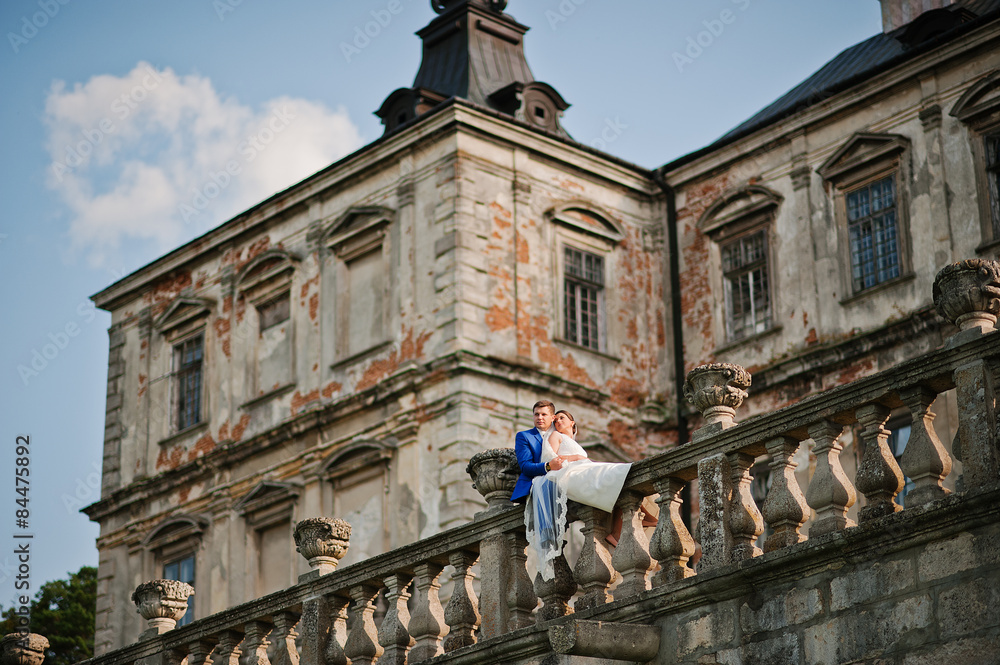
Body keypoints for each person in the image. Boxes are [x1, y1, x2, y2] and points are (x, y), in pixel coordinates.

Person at [519, 408, 633, 580]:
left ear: (572, 423)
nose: (558, 422)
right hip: (568, 472)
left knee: (620, 476)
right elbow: (552, 458)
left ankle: (617, 530)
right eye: (556, 420)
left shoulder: (573, 441)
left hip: (582, 467)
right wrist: (575, 458)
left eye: (562, 418)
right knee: (618, 473)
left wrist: (579, 458)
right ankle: (617, 532)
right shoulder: (555, 436)